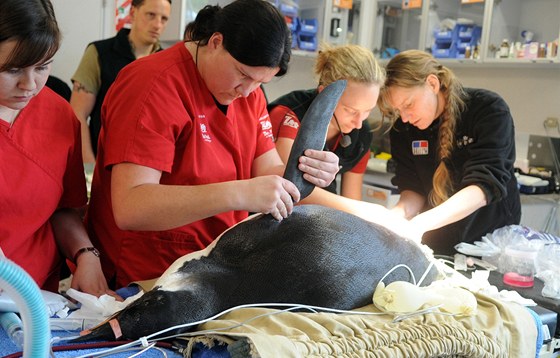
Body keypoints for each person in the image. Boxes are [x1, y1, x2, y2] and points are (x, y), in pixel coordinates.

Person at [85, 0, 340, 289]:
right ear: (216, 42)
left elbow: (267, 167)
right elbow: (131, 207)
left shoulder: (250, 95)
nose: (247, 91)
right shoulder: (153, 84)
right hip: (145, 274)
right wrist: (238, 193)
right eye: (243, 75)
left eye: (260, 82)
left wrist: (308, 171)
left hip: (213, 267)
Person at [0, 0, 114, 297]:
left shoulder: (59, 115)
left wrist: (86, 254)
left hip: (34, 299)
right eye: (12, 70)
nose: (29, 85)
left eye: (42, 67)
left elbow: (64, 208)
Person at [377, 50, 521, 255]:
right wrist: (397, 216)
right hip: (437, 237)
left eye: (409, 104)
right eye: (398, 110)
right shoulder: (403, 129)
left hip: (491, 241)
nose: (405, 117)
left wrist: (421, 222)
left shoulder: (487, 110)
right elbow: (412, 187)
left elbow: (484, 186)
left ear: (432, 84)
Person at [268, 44, 384, 200]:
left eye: (367, 111)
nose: (358, 123)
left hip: (321, 215)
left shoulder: (362, 135)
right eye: (350, 110)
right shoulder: (289, 115)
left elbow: (351, 196)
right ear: (325, 95)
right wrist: (363, 211)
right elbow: (292, 190)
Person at [70, 0, 172, 164]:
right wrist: (89, 165)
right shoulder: (99, 52)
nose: (157, 25)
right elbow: (77, 113)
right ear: (133, 13)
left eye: (164, 19)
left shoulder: (168, 63)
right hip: (102, 161)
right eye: (151, 15)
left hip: (148, 165)